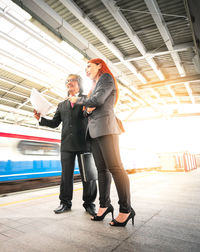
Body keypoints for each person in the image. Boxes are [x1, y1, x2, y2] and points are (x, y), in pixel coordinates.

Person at [69, 58, 135, 227]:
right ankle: (104, 205)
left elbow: (97, 101)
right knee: (101, 170)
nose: (86, 70)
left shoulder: (106, 78)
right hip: (94, 132)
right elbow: (87, 110)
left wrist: (79, 101)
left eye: (89, 66)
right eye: (85, 68)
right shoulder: (94, 86)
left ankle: (126, 209)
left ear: (99, 65)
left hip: (106, 128)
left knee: (116, 168)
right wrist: (87, 107)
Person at [34, 74, 97, 216]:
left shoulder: (86, 100)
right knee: (66, 176)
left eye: (72, 80)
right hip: (67, 146)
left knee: (88, 175)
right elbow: (54, 123)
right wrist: (41, 119)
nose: (69, 83)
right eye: (67, 81)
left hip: (84, 143)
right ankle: (65, 203)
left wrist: (81, 102)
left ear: (79, 84)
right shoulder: (62, 105)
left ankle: (89, 204)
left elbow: (92, 114)